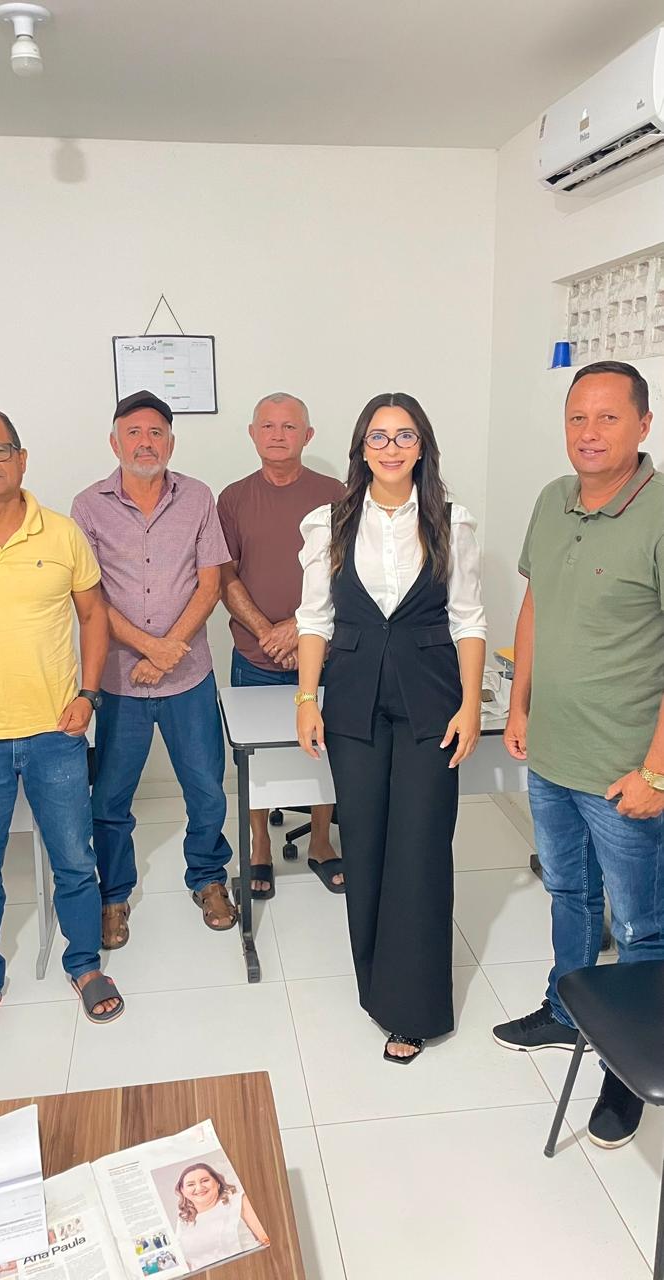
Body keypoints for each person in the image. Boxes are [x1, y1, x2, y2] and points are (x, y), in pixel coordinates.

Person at [493, 360, 664, 1149]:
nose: (588, 433)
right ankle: (566, 1012)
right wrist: (518, 703)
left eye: (607, 417)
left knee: (640, 925)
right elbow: (535, 606)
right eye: (576, 418)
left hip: (625, 770)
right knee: (568, 893)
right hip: (553, 755)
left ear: (643, 425)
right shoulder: (552, 499)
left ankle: (629, 1066)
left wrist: (656, 771)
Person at [296, 392, 486, 1062]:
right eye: (378, 436)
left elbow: (468, 618)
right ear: (361, 448)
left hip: (432, 697)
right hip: (353, 697)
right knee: (368, 843)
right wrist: (307, 698)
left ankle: (413, 1009)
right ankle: (376, 987)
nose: (392, 447)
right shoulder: (328, 521)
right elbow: (315, 616)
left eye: (405, 435)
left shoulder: (451, 520)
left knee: (422, 844)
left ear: (422, 446)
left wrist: (471, 703)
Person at [0, 408, 123, 1050]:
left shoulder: (63, 534)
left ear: (21, 457)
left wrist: (88, 694)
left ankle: (85, 965)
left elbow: (93, 615)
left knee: (75, 859)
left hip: (55, 733)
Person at [71, 391, 235, 942]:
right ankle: (113, 894)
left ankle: (208, 876)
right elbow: (91, 597)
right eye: (134, 432)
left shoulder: (198, 497)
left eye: (156, 432)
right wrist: (149, 648)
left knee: (207, 788)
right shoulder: (88, 506)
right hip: (120, 679)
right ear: (114, 442)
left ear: (171, 442)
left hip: (189, 676)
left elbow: (210, 583)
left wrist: (170, 650)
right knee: (111, 797)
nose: (146, 442)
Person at [217, 392, 345, 897]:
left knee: (324, 751)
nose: (277, 435)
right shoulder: (232, 498)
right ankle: (260, 848)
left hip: (325, 651)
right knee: (256, 761)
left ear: (307, 436)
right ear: (252, 434)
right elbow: (224, 576)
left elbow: (347, 571)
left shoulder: (336, 493)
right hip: (255, 656)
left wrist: (299, 627)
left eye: (289, 426)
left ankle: (321, 843)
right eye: (267, 426)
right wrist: (268, 633)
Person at [174, 1162, 269, 1272]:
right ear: (182, 1191)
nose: (199, 1188)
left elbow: (265, 1239)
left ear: (217, 1182)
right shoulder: (184, 1220)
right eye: (191, 1184)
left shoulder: (238, 1202)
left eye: (205, 1180)